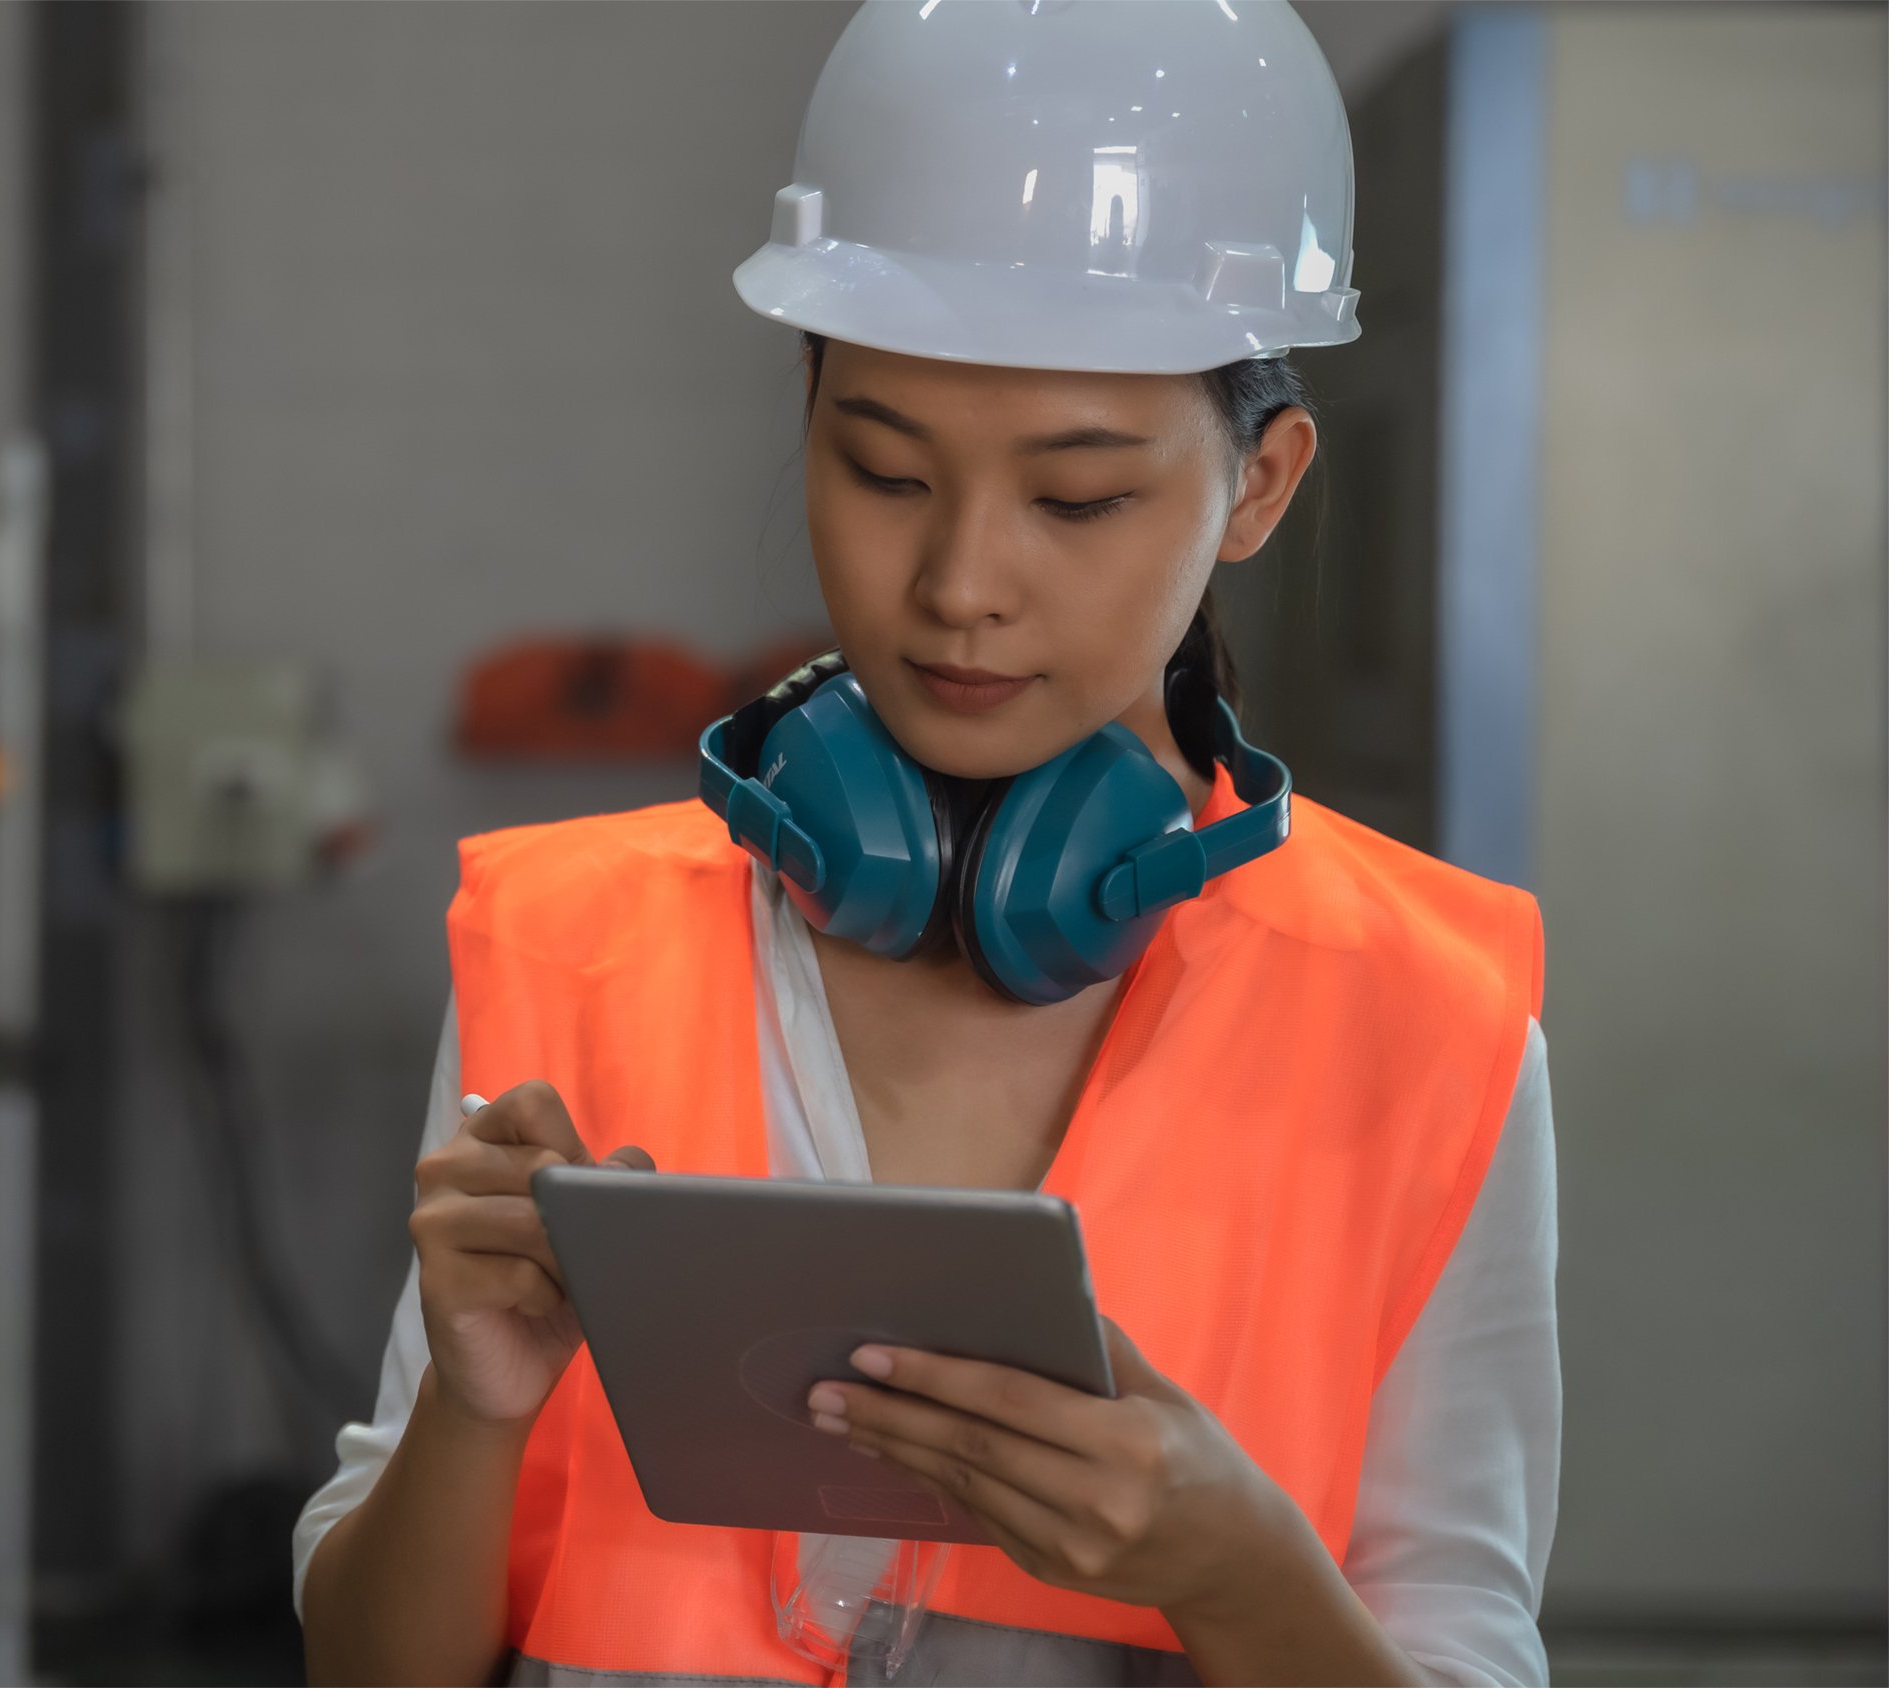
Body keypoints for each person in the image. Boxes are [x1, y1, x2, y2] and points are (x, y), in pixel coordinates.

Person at [293, 4, 1558, 1685]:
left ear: (1259, 488)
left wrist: (1233, 1566)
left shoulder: (1419, 1021)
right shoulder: (577, 944)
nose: (961, 580)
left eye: (1079, 498)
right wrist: (470, 1408)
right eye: (884, 470)